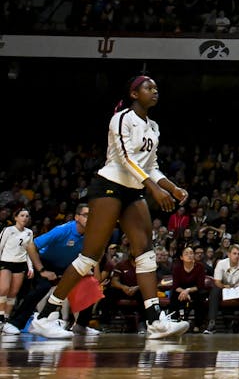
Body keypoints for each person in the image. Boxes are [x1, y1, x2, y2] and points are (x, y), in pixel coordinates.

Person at [29, 75, 191, 340]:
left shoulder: (154, 127)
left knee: (145, 252)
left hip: (134, 189)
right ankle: (46, 315)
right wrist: (153, 188)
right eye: (149, 88)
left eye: (157, 88)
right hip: (110, 186)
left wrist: (172, 187)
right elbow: (126, 158)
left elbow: (151, 165)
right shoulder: (121, 118)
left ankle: (155, 321)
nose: (155, 91)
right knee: (90, 256)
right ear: (134, 93)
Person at [7, 205, 88, 335]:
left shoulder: (91, 234)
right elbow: (31, 246)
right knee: (42, 287)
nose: (89, 219)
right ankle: (14, 323)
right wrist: (42, 270)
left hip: (66, 267)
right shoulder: (62, 230)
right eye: (85, 215)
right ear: (77, 217)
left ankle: (81, 325)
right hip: (45, 262)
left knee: (89, 285)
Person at [204, 244, 239, 333]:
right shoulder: (221, 264)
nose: (237, 256)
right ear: (229, 254)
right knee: (215, 291)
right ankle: (212, 323)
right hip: (224, 289)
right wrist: (226, 287)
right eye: (234, 253)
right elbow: (217, 282)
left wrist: (236, 289)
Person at [0, 209, 34, 334]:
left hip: (20, 264)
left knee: (13, 293)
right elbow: (0, 246)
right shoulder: (8, 230)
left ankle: (6, 321)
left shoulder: (29, 233)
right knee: (3, 289)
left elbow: (29, 251)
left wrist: (30, 267)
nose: (25, 218)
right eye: (22, 215)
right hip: (5, 262)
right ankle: (0, 317)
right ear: (15, 217)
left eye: (27, 216)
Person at [169, 245, 208, 327]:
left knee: (200, 296)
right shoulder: (177, 268)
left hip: (195, 290)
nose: (189, 255)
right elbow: (176, 286)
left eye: (191, 253)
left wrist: (187, 291)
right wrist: (184, 292)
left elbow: (200, 285)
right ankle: (174, 322)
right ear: (181, 257)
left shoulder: (200, 267)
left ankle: (198, 324)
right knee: (174, 296)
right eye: (186, 254)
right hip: (180, 291)